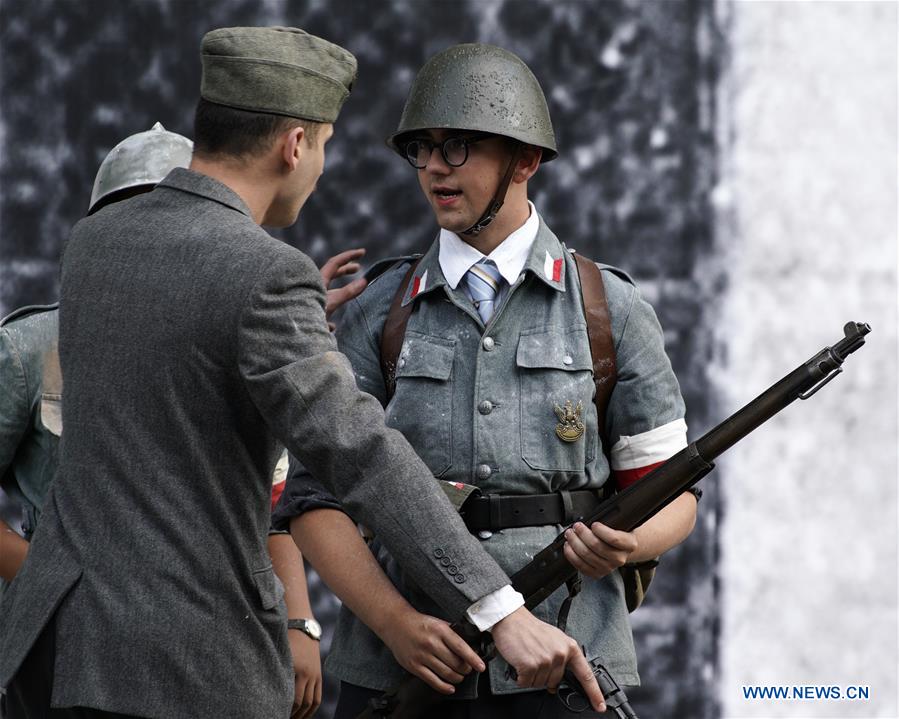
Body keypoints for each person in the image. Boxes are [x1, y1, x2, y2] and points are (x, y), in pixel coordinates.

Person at [0, 28, 602, 719]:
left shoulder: (95, 242)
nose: (319, 169)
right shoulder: (266, 272)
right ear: (294, 145)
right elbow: (362, 455)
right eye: (323, 146)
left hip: (62, 657)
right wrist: (500, 609)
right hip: (189, 668)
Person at [273, 43, 699, 717]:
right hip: (408, 664)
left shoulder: (605, 307)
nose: (435, 168)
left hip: (563, 659)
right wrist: (391, 622)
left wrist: (627, 543)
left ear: (524, 160)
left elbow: (669, 489)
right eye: (424, 148)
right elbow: (315, 500)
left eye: (460, 147)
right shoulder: (381, 310)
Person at [0, 122, 367, 718]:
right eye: (138, 210)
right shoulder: (31, 347)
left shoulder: (230, 335)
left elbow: (269, 497)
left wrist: (299, 620)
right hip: (67, 651)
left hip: (209, 637)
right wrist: (56, 582)